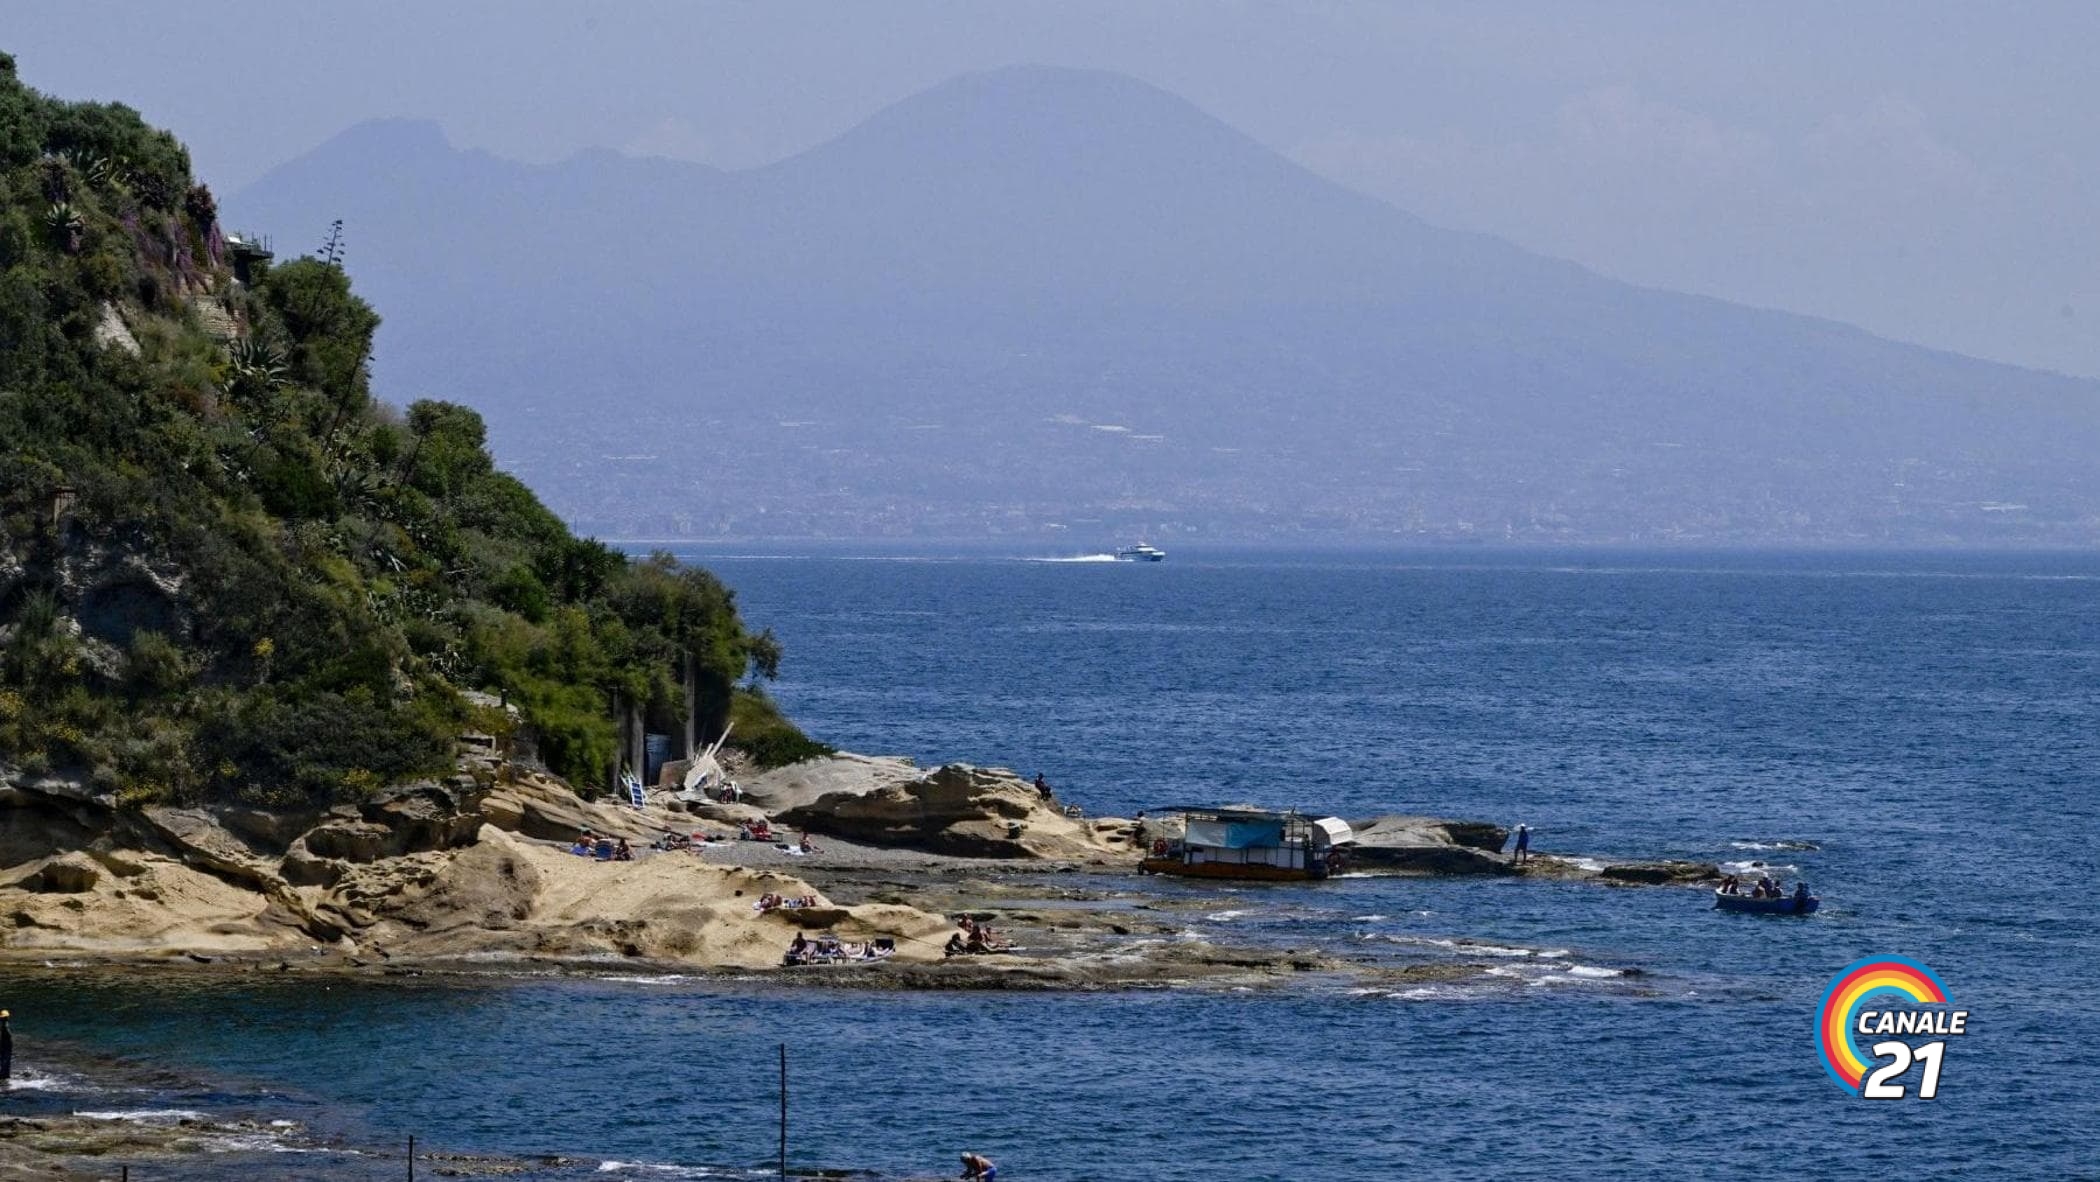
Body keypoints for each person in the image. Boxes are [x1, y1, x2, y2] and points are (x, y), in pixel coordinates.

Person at [2, 1009, 12, 1081]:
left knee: (3, 1058)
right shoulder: (5, 1025)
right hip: (6, 1044)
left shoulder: (3, 1024)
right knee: (6, 1058)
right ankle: (5, 1074)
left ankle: (4, 1073)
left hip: (3, 1043)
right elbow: (9, 1035)